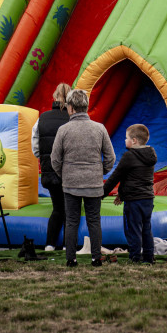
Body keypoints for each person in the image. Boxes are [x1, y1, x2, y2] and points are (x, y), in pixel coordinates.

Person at [50, 89, 115, 268]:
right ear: (86, 107)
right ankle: (96, 258)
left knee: (71, 220)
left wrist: (65, 174)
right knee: (94, 220)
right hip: (93, 183)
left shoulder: (63, 130)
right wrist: (100, 171)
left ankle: (71, 259)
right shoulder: (99, 128)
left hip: (71, 183)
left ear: (70, 108)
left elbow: (55, 159)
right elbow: (110, 157)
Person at [102, 124, 158, 264]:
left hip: (134, 200)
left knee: (133, 230)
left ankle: (135, 257)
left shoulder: (129, 156)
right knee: (146, 229)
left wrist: (101, 194)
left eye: (126, 138)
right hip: (147, 198)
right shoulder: (151, 154)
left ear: (134, 140)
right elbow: (132, 177)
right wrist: (122, 193)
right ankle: (149, 257)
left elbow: (116, 177)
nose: (124, 141)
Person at [31, 83, 73, 252]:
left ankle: (50, 243)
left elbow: (35, 147)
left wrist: (43, 159)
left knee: (57, 208)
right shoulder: (73, 118)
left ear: (54, 97)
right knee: (70, 210)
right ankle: (66, 245)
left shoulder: (42, 118)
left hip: (50, 171)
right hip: (70, 172)